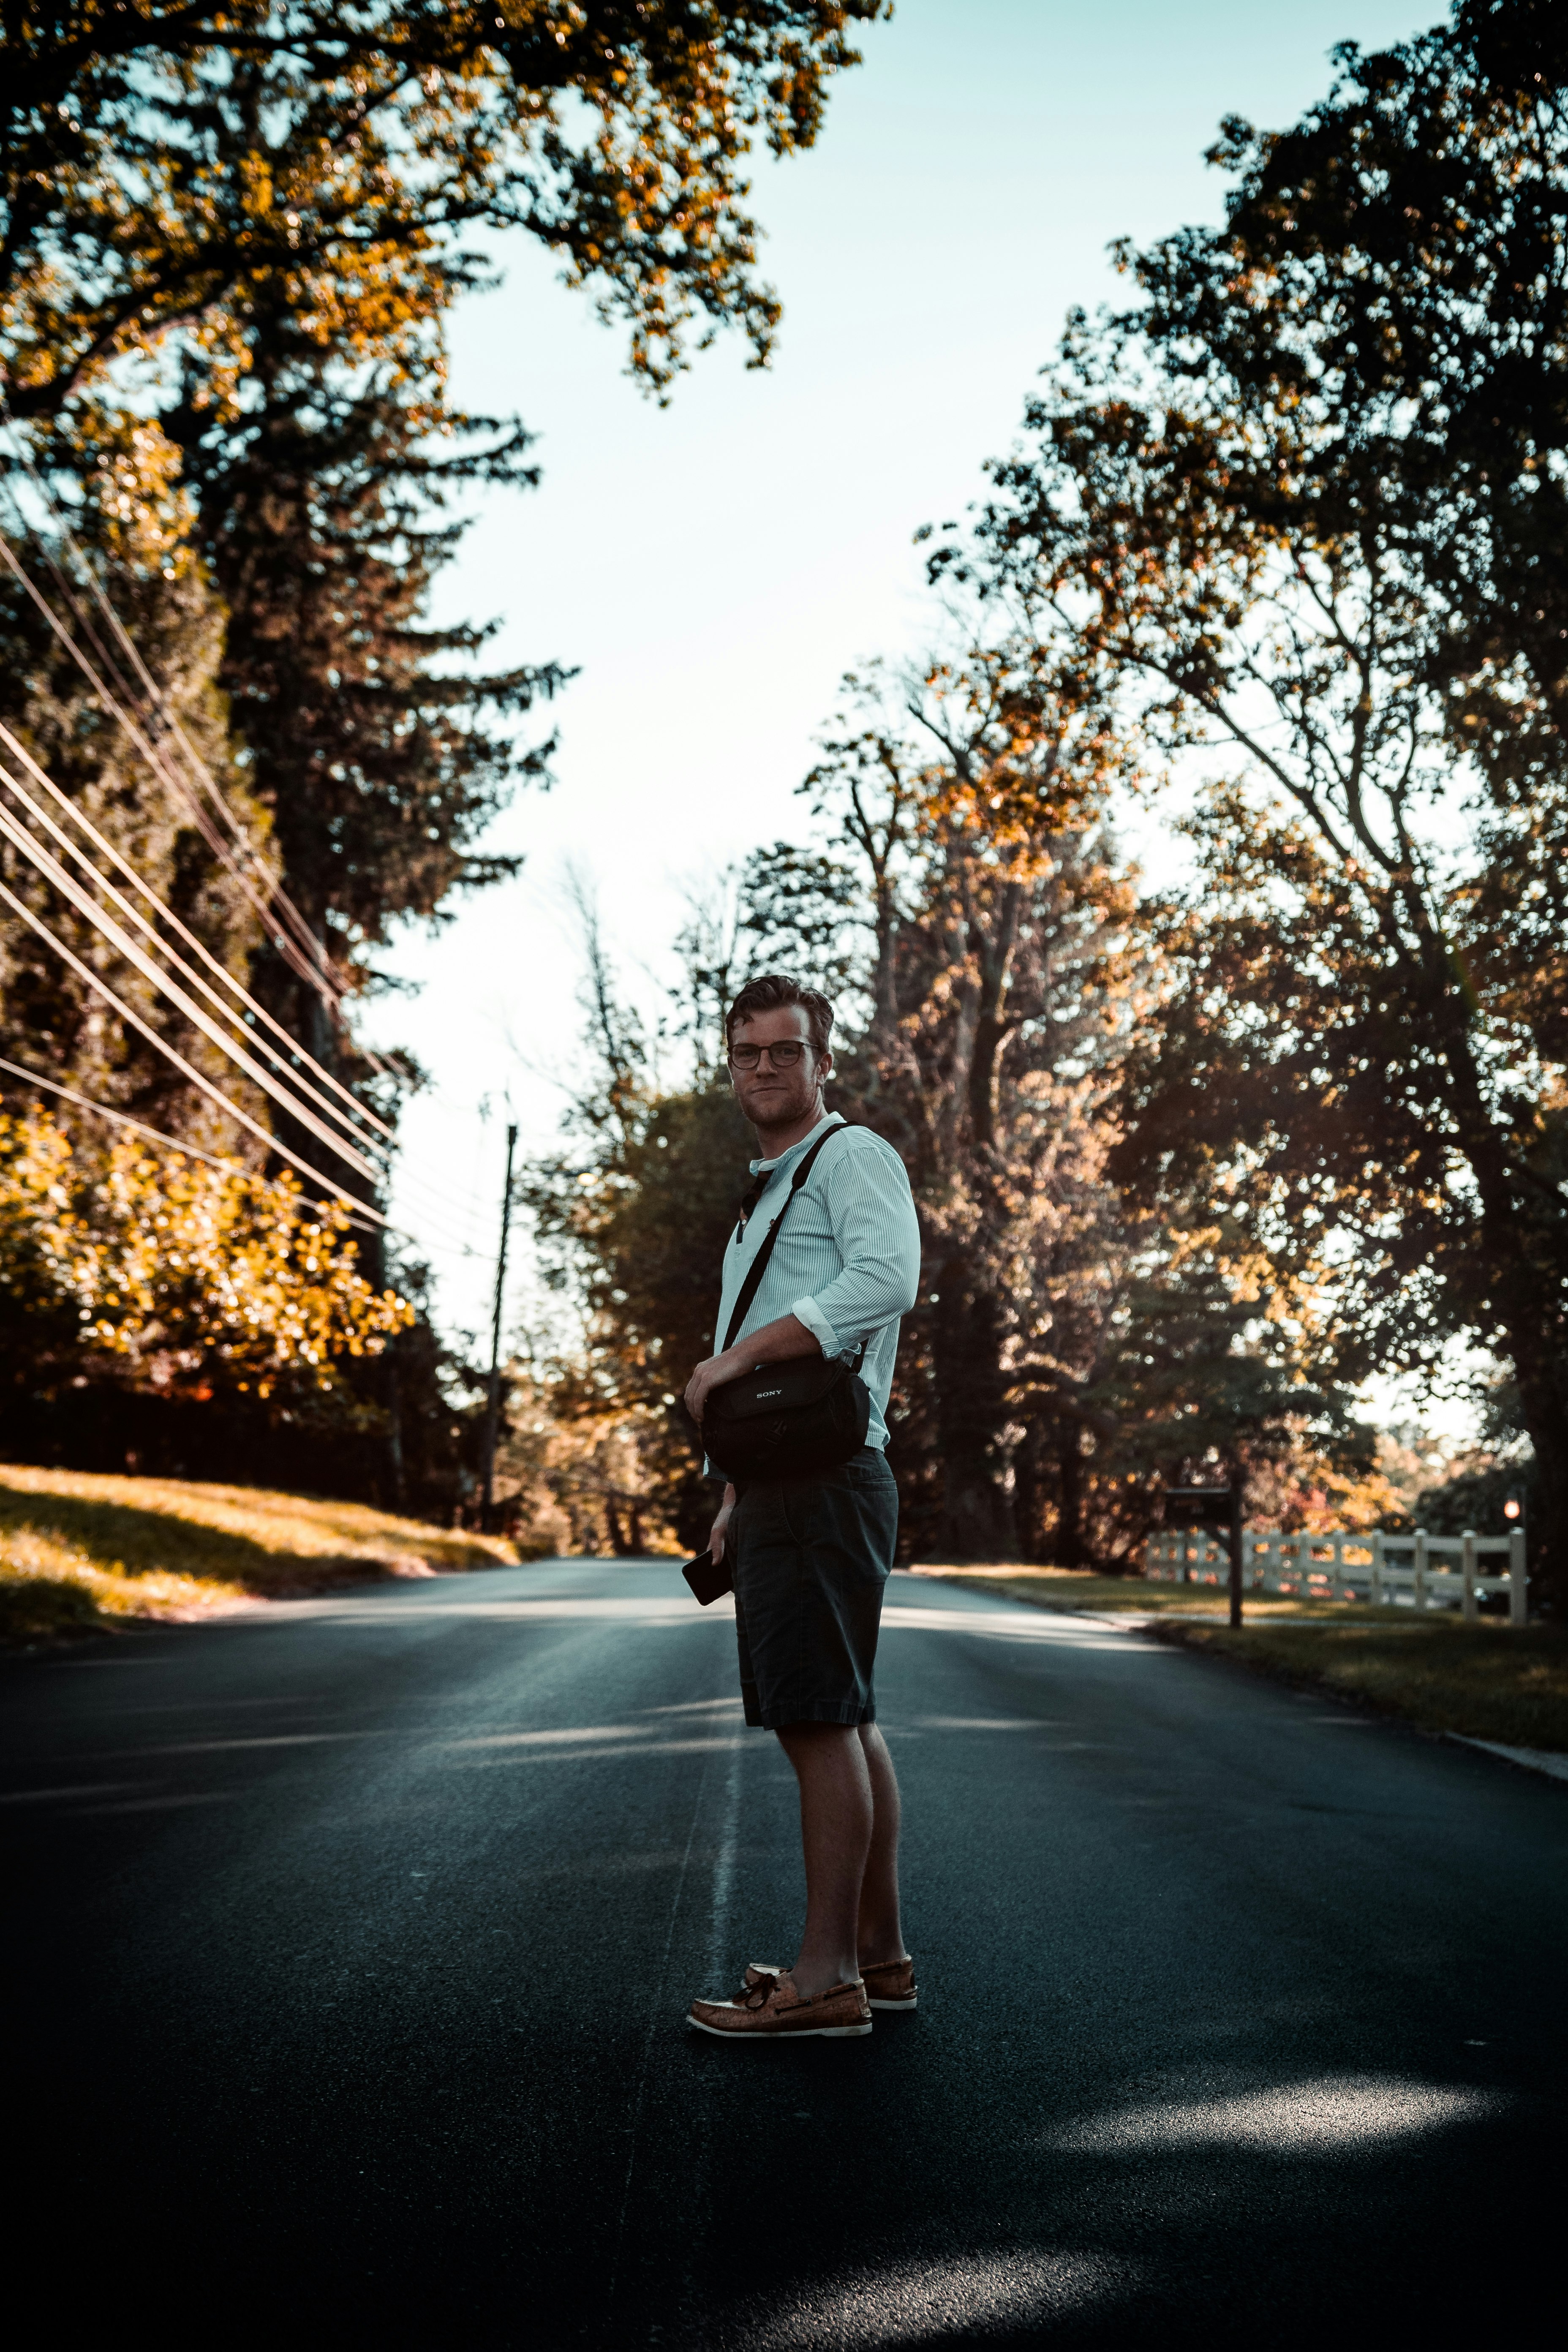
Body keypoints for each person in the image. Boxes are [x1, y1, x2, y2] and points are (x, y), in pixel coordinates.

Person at [682, 973, 922, 2041]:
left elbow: (886, 1277)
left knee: (816, 1719)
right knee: (847, 1716)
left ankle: (823, 1981)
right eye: (747, 1053)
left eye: (785, 1050)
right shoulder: (766, 1195)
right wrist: (735, 1494)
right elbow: (774, 1394)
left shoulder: (850, 1154)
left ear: (823, 1061)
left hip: (827, 1483)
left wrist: (732, 1356)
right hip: (788, 1486)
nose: (766, 1068)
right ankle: (880, 1959)